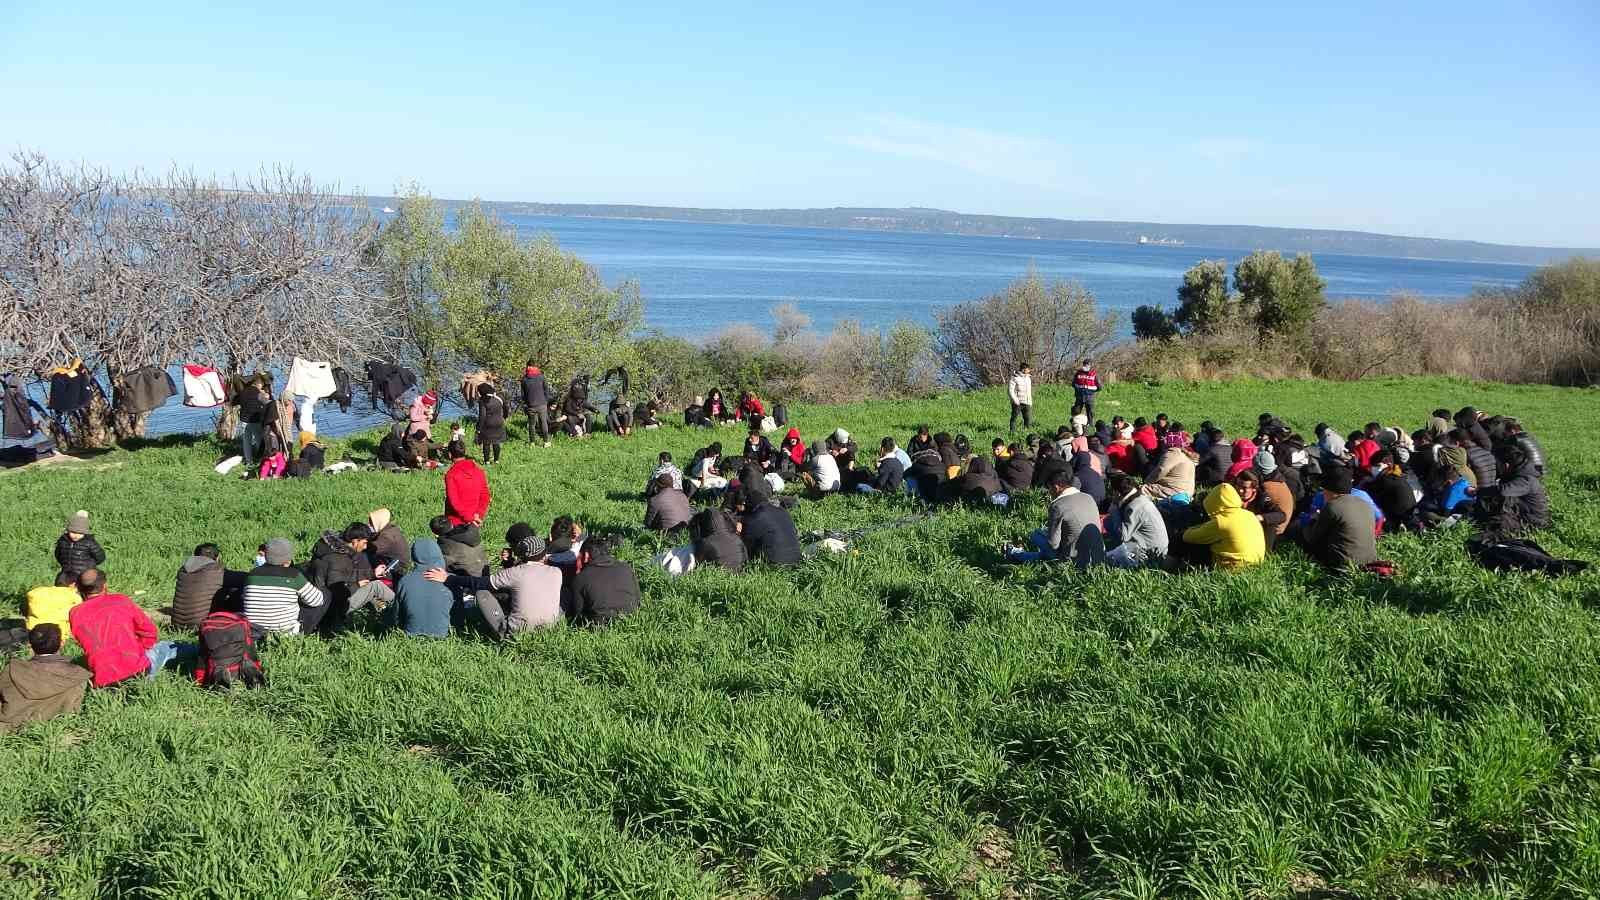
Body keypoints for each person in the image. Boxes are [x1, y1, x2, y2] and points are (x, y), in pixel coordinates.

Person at [69, 569, 190, 685]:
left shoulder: (74, 613)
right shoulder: (120, 600)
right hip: (138, 670)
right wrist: (141, 648)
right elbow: (149, 631)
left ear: (79, 589)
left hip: (102, 679)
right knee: (168, 646)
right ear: (105, 586)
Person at [428, 533, 564, 637]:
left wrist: (448, 578)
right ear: (544, 553)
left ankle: (479, 625)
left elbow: (479, 583)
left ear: (521, 555)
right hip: (549, 629)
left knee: (482, 593)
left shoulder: (515, 573)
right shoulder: (556, 572)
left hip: (517, 632)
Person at [0, 624, 91, 733]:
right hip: (54, 730)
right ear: (62, 644)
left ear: (30, 645)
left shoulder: (12, 669)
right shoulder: (77, 675)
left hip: (8, 728)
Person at [1005, 470, 1102, 566]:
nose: (1049, 493)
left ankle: (1015, 554)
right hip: (1097, 557)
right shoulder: (1088, 497)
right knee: (1043, 554)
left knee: (1035, 535)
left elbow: (1053, 544)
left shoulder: (1057, 506)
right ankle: (1017, 554)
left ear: (1056, 487)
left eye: (1049, 489)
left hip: (1072, 561)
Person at [308, 524, 395, 627]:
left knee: (370, 588)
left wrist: (372, 573)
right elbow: (337, 592)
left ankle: (384, 611)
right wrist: (357, 585)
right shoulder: (338, 560)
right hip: (330, 608)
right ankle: (403, 605)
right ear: (355, 541)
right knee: (376, 586)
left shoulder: (333, 549)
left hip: (321, 599)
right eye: (364, 543)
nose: (366, 546)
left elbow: (344, 573)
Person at [1299, 465, 1379, 570]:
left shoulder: (1332, 506)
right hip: (1369, 559)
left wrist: (1311, 520)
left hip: (1344, 564)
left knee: (1300, 530)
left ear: (1328, 490)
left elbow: (1311, 537)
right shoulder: (1364, 503)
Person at [242, 538, 327, 635]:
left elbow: (245, 597)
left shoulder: (252, 574)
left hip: (253, 632)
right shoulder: (294, 575)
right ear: (288, 560)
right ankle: (315, 630)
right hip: (284, 633)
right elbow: (317, 600)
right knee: (325, 595)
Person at [1180, 483, 1266, 570]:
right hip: (1256, 564)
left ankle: (1179, 567)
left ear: (1213, 502)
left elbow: (1187, 537)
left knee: (1195, 543)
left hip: (1232, 569)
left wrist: (1196, 527)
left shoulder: (1221, 522)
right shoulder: (1249, 515)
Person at [1477, 443, 1549, 535]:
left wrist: (1479, 491)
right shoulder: (1521, 471)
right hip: (1524, 513)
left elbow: (1503, 491)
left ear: (1506, 465)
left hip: (1532, 523)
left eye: (1497, 464)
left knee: (1499, 519)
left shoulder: (1525, 479)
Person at [387, 540, 454, 638]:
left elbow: (397, 615)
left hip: (411, 634)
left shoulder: (405, 581)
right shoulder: (450, 580)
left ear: (414, 556)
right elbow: (458, 614)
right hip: (443, 635)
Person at [568, 535, 640, 626]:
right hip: (632, 621)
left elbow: (577, 615)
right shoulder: (626, 568)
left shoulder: (580, 578)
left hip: (599, 627)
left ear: (586, 555)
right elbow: (638, 599)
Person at [1104, 472, 1169, 568]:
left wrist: (1114, 510)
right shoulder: (1139, 498)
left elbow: (1123, 535)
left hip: (1150, 554)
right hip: (1155, 548)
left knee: (1103, 559)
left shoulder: (1134, 507)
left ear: (1116, 493)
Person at [172, 543, 243, 629]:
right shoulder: (217, 571)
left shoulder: (183, 570)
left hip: (177, 625)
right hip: (204, 626)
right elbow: (249, 579)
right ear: (217, 557)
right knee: (237, 590)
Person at [739, 484, 803, 565]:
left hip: (775, 564)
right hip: (796, 559)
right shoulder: (783, 511)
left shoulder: (755, 517)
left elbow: (746, 544)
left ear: (750, 506)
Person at [1232, 469, 1287, 549]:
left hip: (1255, 534)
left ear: (1254, 488)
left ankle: (1266, 554)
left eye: (1244, 488)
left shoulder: (1262, 498)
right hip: (1235, 531)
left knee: (1271, 525)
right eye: (1238, 485)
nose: (1240, 490)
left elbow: (1281, 515)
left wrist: (1259, 517)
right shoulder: (1230, 495)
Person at [25, 572, 81, 643]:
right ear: (73, 584)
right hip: (57, 637)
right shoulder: (74, 597)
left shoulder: (37, 592)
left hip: (31, 632)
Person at [444, 442, 491, 526]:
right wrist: (478, 514)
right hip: (475, 521)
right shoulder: (479, 471)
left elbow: (454, 501)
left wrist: (469, 518)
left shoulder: (451, 475)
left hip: (455, 522)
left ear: (450, 454)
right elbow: (485, 495)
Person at [690, 508, 747, 573]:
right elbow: (745, 560)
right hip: (739, 576)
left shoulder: (705, 543)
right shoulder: (737, 539)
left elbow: (697, 564)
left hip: (719, 577)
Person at [54, 510, 106, 581]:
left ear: (85, 533)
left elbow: (100, 557)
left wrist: (90, 565)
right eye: (73, 532)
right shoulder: (63, 541)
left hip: (84, 575)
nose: (76, 535)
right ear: (68, 531)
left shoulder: (89, 543)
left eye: (80, 533)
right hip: (67, 574)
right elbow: (58, 555)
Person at [367, 508, 409, 577]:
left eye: (371, 523)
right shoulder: (390, 528)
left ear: (379, 522)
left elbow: (372, 549)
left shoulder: (387, 537)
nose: (369, 524)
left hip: (396, 569)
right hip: (395, 562)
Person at [473, 384, 509, 463]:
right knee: (496, 442)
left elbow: (482, 416)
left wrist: (478, 429)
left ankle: (487, 461)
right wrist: (505, 416)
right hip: (499, 422)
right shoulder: (499, 398)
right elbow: (506, 407)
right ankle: (496, 460)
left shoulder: (482, 400)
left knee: (486, 443)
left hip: (488, 424)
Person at [520, 362, 551, 447]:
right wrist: (546, 401)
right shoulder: (541, 377)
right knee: (543, 423)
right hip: (542, 404)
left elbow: (523, 395)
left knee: (531, 424)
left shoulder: (524, 379)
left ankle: (532, 442)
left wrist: (527, 403)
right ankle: (546, 442)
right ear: (535, 366)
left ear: (528, 366)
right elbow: (546, 390)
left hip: (531, 405)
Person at [1007, 362, 1033, 433]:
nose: (1029, 370)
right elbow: (1010, 391)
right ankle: (1012, 433)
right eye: (1028, 369)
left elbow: (1029, 392)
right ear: (1024, 369)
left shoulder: (1028, 378)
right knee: (1014, 418)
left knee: (1027, 419)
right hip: (1017, 403)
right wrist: (1016, 401)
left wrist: (1030, 402)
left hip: (1027, 402)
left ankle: (1026, 433)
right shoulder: (1014, 378)